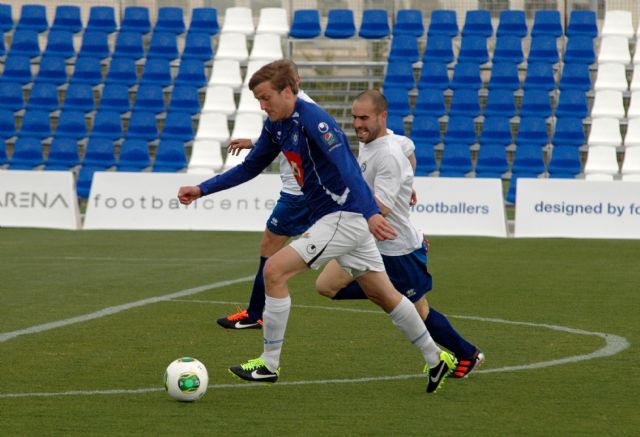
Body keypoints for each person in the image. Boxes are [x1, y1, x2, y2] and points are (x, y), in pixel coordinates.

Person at [178, 59, 457, 393]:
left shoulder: (315, 121)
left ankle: (268, 365)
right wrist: (202, 189)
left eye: (266, 98)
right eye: (258, 101)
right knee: (384, 294)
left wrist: (370, 212)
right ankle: (435, 358)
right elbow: (251, 167)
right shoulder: (276, 125)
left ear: (287, 91)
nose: (263, 106)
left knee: (275, 271)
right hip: (339, 218)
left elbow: (347, 168)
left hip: (344, 215)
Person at [315, 90, 485, 378]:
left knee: (419, 313)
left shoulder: (388, 154)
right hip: (367, 241)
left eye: (364, 118)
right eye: (355, 117)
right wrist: (408, 184)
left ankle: (467, 353)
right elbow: (409, 148)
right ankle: (383, 290)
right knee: (327, 286)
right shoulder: (386, 141)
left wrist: (337, 203)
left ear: (382, 116)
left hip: (398, 249)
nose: (357, 124)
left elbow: (379, 207)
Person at [216, 62, 315, 330]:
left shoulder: (305, 113)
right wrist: (253, 143)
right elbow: (278, 141)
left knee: (270, 252)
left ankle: (255, 314)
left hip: (298, 196)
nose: (263, 104)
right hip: (300, 193)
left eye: (264, 98)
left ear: (292, 82)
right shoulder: (289, 109)